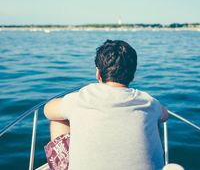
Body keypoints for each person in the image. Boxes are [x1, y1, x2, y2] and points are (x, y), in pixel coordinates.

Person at [44, 39, 168, 170]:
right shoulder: (148, 102)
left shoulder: (82, 97)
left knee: (58, 119)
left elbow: (47, 110)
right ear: (133, 75)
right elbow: (164, 115)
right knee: (155, 120)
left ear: (98, 73)